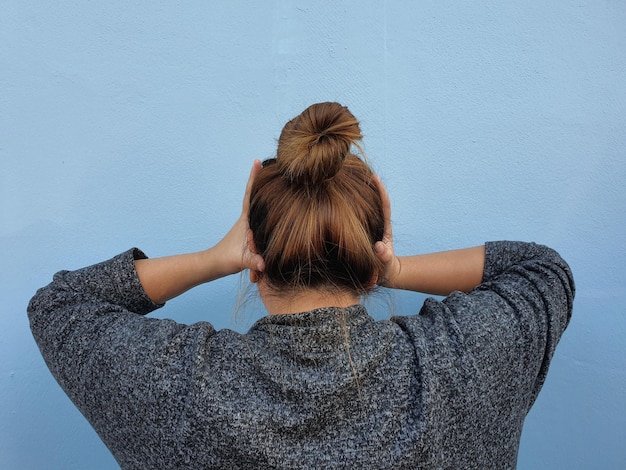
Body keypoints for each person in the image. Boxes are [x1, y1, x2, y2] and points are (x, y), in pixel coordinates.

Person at [28, 102, 574, 469]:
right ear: (372, 248)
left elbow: (60, 305)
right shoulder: (463, 364)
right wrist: (395, 268)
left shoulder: (178, 389)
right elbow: (541, 269)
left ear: (255, 255)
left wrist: (214, 259)